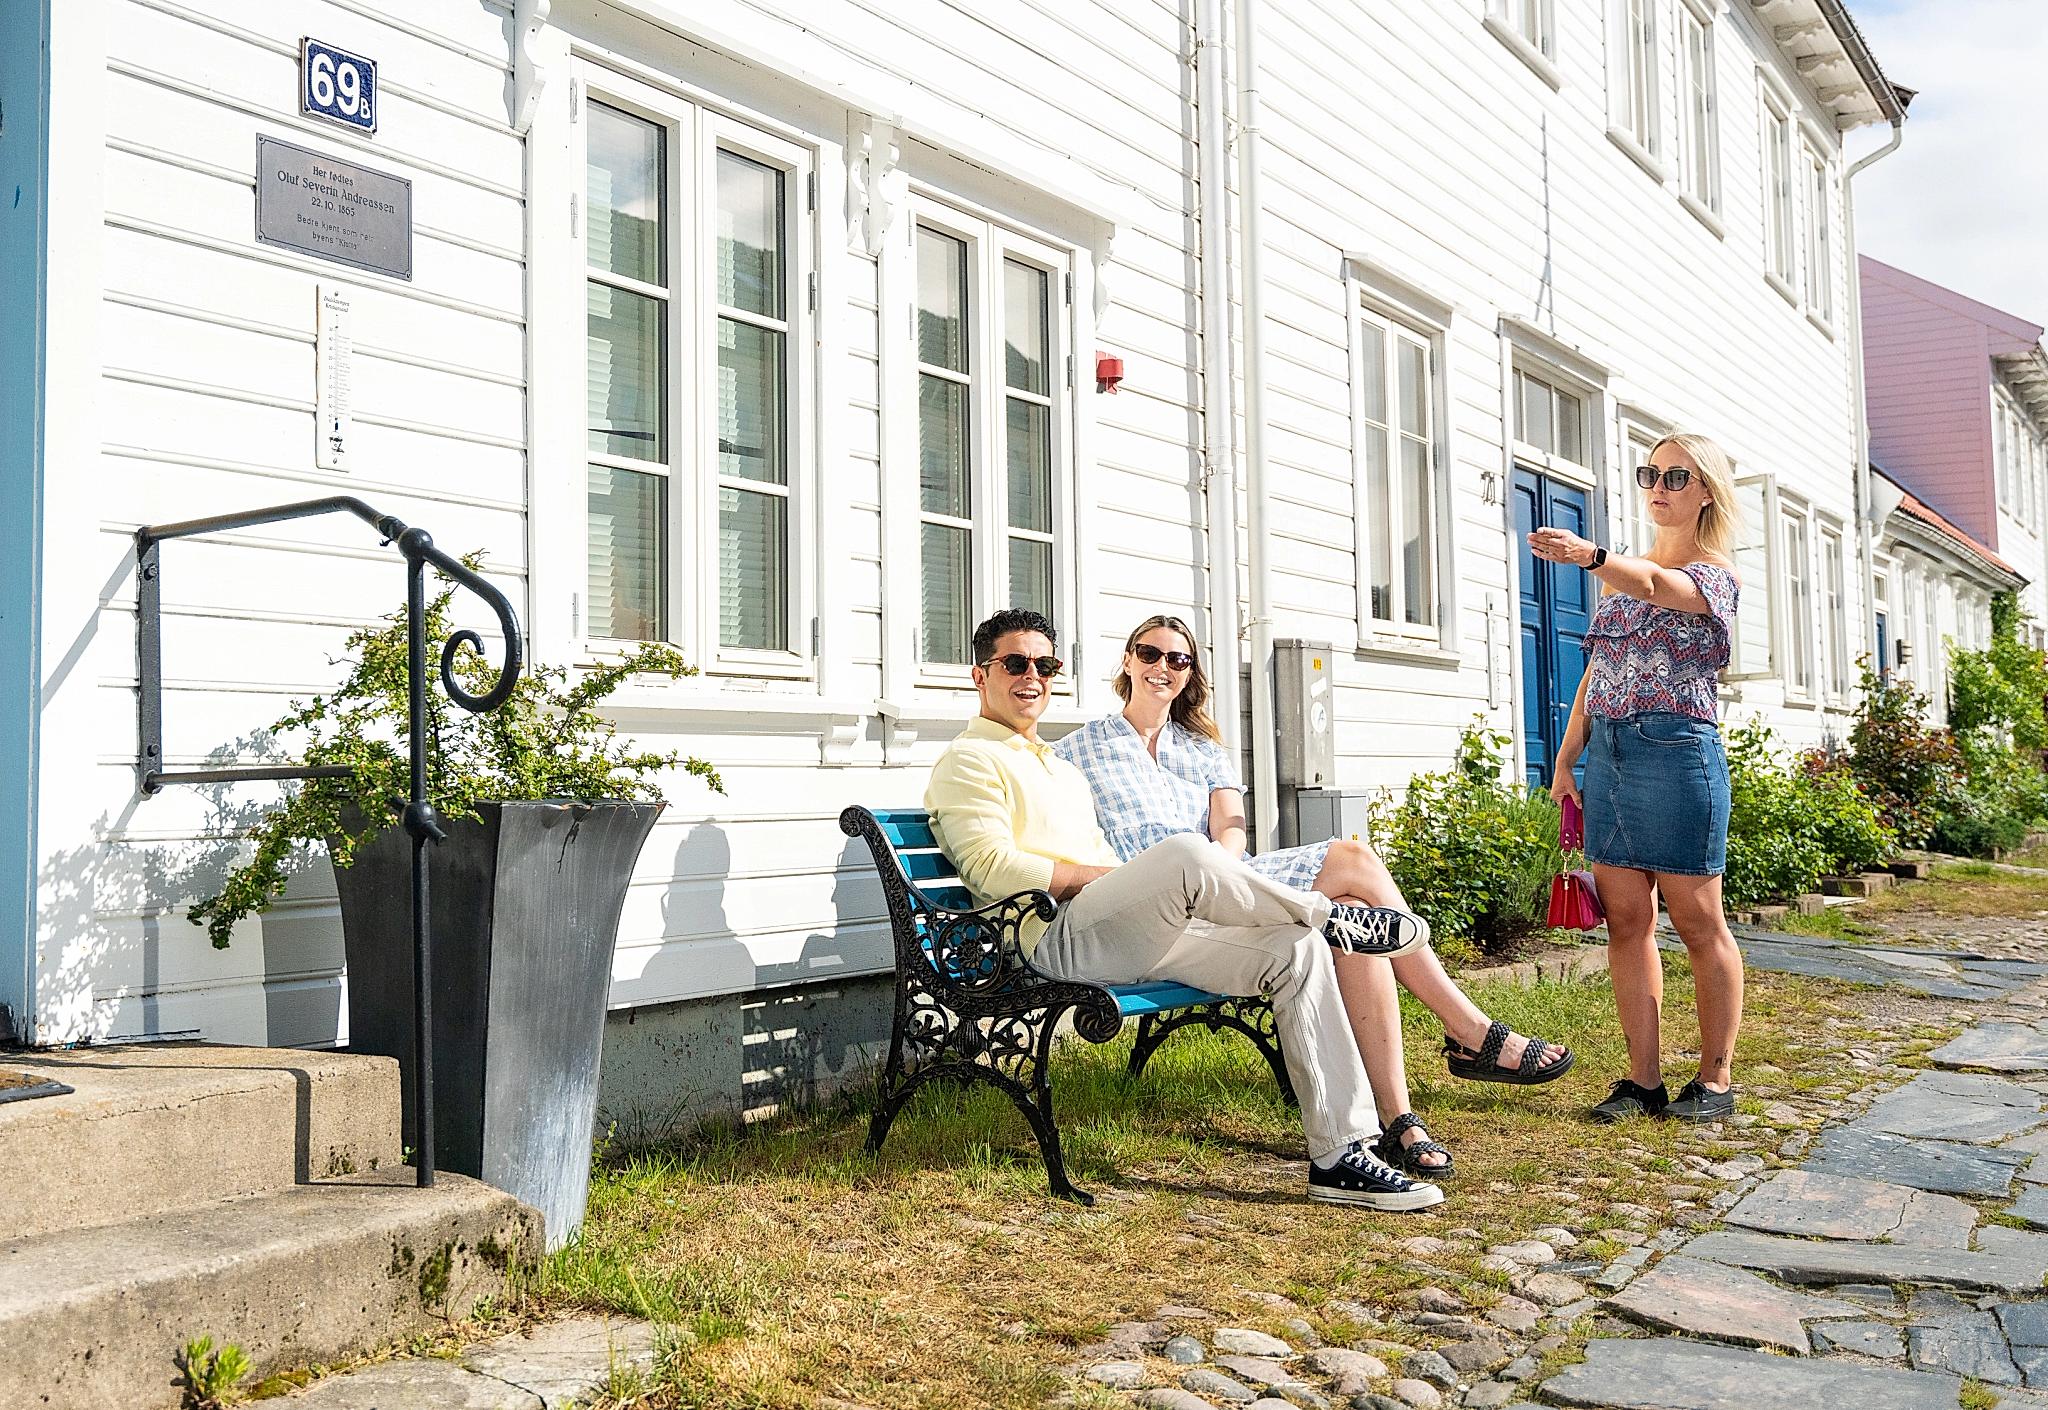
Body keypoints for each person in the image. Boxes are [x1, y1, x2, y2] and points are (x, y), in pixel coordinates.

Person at [925, 607, 1445, 1211]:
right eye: (1015, 664)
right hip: (1048, 940)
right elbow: (993, 869)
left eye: (1046, 665)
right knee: (1184, 852)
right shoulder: (969, 760)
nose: (1032, 677)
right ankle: (1330, 916)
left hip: (1122, 932)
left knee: (1295, 951)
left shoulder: (1054, 762)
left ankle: (1339, 1155)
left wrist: (1136, 889)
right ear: (978, 675)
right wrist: (1124, 880)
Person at [1056, 614, 1574, 1178]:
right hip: (1157, 903)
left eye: (1178, 660)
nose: (1163, 668)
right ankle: (1467, 1033)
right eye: (1151, 654)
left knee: (1353, 894)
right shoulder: (1080, 749)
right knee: (1352, 896)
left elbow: (1231, 827)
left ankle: (1398, 1118)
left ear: (1190, 673)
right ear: (1128, 659)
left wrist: (1226, 868)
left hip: (1234, 884)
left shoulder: (1201, 749)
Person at [1528, 431, 1744, 1124]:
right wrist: (1566, 761)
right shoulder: (1623, 582)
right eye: (1651, 472)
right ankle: (1642, 1081)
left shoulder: (1712, 577)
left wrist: (1590, 555)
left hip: (1679, 755)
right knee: (1626, 921)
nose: (1659, 485)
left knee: (1698, 918)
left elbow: (1656, 586)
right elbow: (1597, 675)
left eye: (1677, 476)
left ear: (1706, 490)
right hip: (1613, 758)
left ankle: (1715, 1080)